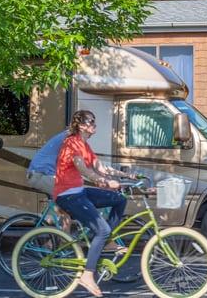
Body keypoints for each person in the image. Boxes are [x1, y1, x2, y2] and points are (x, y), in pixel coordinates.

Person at [54, 110, 133, 297]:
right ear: (81, 125)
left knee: (119, 199)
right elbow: (83, 169)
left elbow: (100, 167)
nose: (94, 125)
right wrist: (104, 182)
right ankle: (87, 275)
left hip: (79, 192)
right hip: (67, 195)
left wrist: (126, 176)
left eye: (94, 122)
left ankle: (105, 242)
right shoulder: (71, 142)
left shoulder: (84, 145)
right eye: (91, 122)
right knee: (102, 229)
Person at [27, 130, 68, 196]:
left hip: (41, 174)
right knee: (69, 194)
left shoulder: (66, 135)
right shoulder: (70, 138)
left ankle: (53, 205)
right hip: (41, 175)